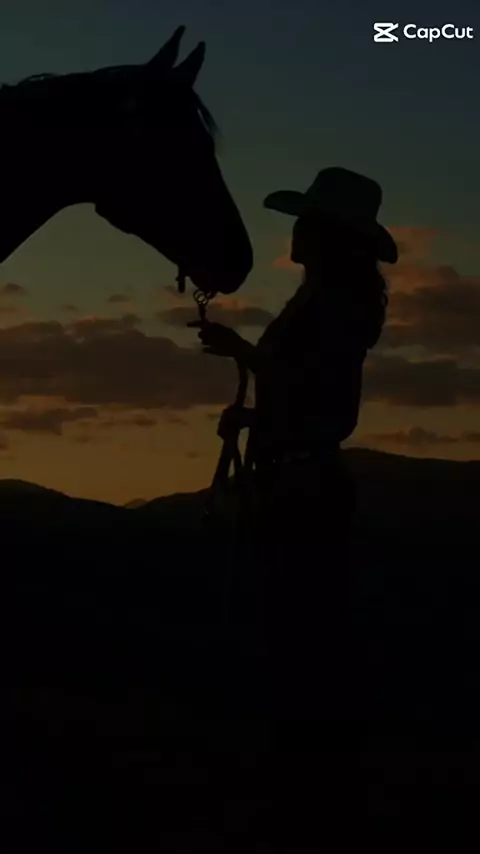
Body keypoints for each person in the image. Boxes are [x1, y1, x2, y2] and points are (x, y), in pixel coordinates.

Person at [190, 165, 397, 727]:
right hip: (298, 478)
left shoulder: (334, 305)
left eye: (307, 221)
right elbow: (312, 398)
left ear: (329, 234)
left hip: (303, 487)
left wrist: (244, 352)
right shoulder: (327, 301)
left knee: (303, 628)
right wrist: (254, 413)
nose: (297, 230)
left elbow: (310, 386)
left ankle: (313, 749)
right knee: (300, 623)